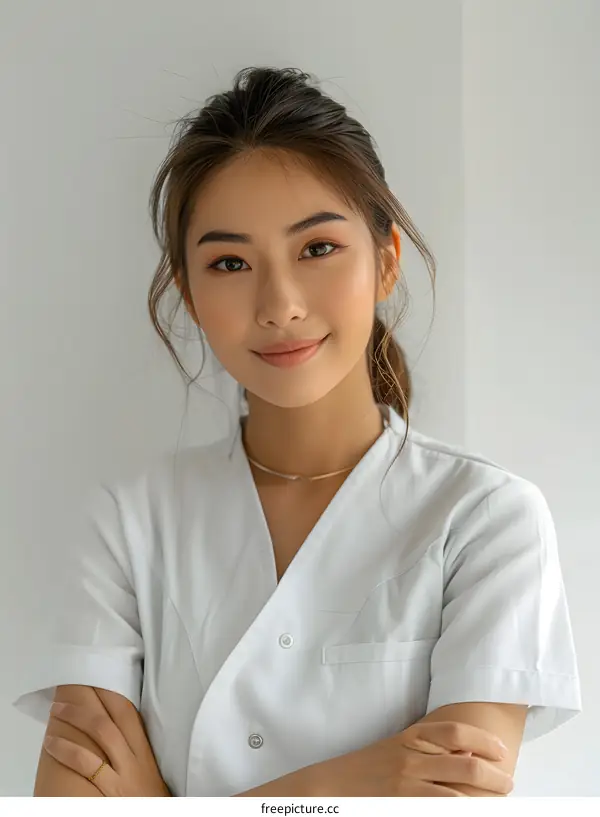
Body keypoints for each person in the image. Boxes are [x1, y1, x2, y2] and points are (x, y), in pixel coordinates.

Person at [13, 67, 581, 798]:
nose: (279, 304)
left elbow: (456, 799)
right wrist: (371, 775)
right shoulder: (127, 522)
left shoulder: (486, 519)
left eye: (316, 248)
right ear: (187, 292)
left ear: (385, 261)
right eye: (229, 262)